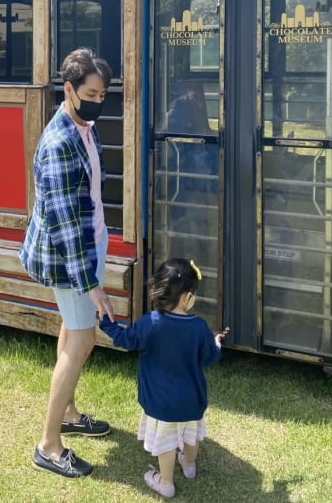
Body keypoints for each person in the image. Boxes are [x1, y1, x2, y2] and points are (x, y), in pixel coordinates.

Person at [19, 47, 115, 479]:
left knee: (71, 333)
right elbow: (64, 225)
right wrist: (92, 282)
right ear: (69, 89)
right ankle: (49, 443)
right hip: (71, 258)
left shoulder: (84, 125)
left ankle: (70, 414)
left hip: (86, 246)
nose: (98, 99)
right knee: (82, 342)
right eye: (91, 91)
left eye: (103, 92)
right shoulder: (60, 142)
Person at [100, 258, 230, 499]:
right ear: (187, 297)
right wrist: (217, 343)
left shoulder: (150, 323)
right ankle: (189, 466)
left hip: (160, 403)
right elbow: (210, 357)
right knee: (191, 435)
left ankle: (165, 482)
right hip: (192, 400)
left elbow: (126, 340)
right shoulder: (199, 327)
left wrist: (107, 323)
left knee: (167, 443)